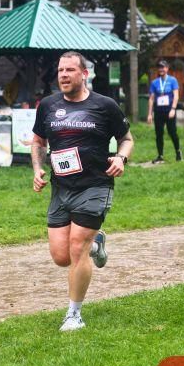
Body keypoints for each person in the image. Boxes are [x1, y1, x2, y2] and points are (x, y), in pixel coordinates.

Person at [31, 51, 134, 332]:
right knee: (61, 257)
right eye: (60, 70)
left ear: (84, 74)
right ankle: (96, 242)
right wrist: (37, 169)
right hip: (61, 189)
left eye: (70, 70)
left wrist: (121, 158)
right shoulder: (48, 105)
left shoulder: (105, 105)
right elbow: (38, 141)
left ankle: (74, 315)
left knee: (78, 248)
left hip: (95, 185)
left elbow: (126, 138)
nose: (63, 75)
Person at [146, 60, 181, 164]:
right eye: (159, 67)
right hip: (158, 111)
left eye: (163, 67)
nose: (161, 69)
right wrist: (149, 114)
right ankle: (160, 155)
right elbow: (151, 99)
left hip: (169, 111)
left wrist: (173, 109)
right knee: (159, 133)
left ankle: (178, 151)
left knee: (172, 132)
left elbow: (176, 96)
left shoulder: (173, 80)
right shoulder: (154, 82)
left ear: (167, 68)